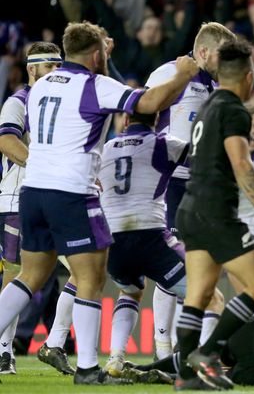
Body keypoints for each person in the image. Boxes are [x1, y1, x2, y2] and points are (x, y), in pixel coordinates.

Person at [0, 21, 198, 385]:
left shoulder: (41, 84)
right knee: (90, 276)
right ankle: (89, 368)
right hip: (71, 191)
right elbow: (148, 103)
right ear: (96, 55)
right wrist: (183, 74)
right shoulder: (93, 85)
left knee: (30, 276)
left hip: (32, 191)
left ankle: (71, 356)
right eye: (104, 54)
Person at [174, 39, 254, 391]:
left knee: (199, 293)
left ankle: (187, 378)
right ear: (249, 77)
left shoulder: (208, 106)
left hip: (190, 209)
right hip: (216, 212)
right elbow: (240, 162)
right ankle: (209, 352)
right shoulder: (235, 109)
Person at [144, 21, 236, 358]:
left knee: (200, 265)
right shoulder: (169, 72)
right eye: (221, 57)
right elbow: (145, 113)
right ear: (203, 52)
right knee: (173, 264)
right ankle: (164, 349)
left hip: (200, 185)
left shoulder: (215, 84)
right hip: (169, 182)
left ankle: (189, 351)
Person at [98, 112, 189, 377]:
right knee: (204, 293)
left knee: (130, 292)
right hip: (150, 235)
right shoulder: (163, 143)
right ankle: (198, 361)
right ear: (157, 118)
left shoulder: (106, 148)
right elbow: (200, 159)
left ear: (126, 120)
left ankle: (115, 359)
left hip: (113, 239)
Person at [0, 42, 62, 376]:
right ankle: (4, 350)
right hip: (17, 197)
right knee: (14, 273)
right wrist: (43, 165)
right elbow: (7, 141)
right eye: (48, 67)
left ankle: (55, 341)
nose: (54, 73)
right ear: (31, 69)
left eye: (59, 66)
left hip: (54, 196)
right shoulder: (18, 102)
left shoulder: (61, 103)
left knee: (86, 267)